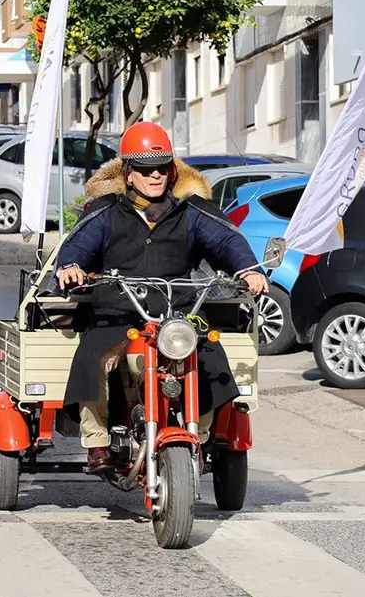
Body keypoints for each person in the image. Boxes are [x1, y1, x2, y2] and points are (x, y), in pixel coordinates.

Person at [55, 121, 269, 473]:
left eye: (162, 169)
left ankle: (197, 437)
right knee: (92, 358)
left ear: (171, 173)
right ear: (128, 174)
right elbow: (77, 245)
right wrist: (71, 266)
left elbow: (227, 240)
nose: (155, 176)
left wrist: (248, 269)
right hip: (119, 315)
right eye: (144, 169)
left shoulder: (191, 212)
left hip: (178, 317)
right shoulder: (106, 212)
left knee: (213, 360)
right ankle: (97, 443)